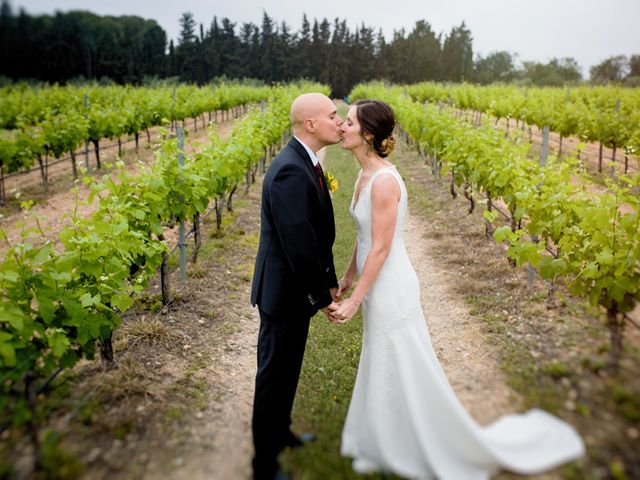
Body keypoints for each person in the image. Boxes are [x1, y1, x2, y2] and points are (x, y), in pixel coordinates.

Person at [330, 99, 585, 479]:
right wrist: (348, 276)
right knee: (381, 355)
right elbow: (365, 237)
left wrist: (356, 299)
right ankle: (385, 434)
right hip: (374, 280)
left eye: (348, 122)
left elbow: (382, 248)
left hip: (390, 285)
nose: (342, 127)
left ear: (367, 134)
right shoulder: (364, 174)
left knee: (401, 357)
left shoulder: (384, 181)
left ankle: (418, 438)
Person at [250, 92, 343, 480]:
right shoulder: (291, 169)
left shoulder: (306, 162)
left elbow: (315, 236)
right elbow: (298, 243)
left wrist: (331, 281)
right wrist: (320, 295)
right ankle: (263, 464)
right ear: (310, 124)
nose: (340, 121)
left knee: (288, 370)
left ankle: (281, 432)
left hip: (290, 292)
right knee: (273, 375)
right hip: (283, 293)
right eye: (334, 115)